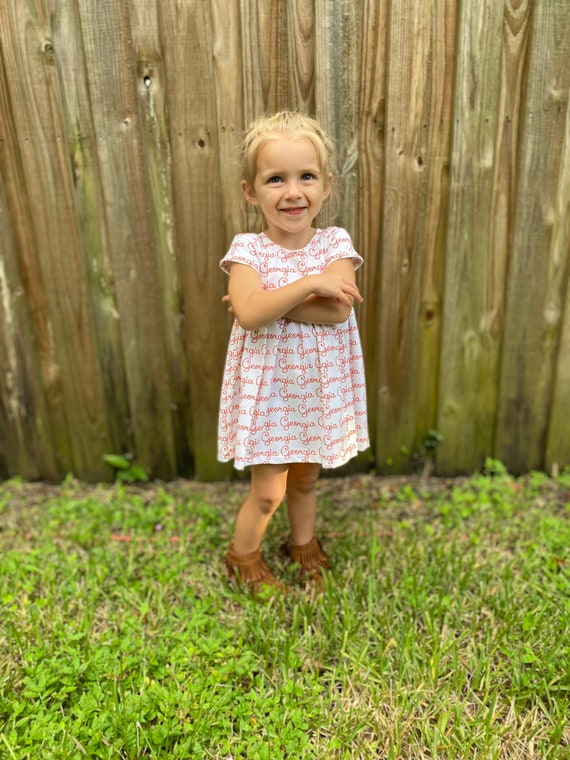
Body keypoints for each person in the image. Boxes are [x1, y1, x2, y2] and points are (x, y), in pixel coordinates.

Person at [218, 111, 369, 593]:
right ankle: (242, 558)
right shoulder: (248, 251)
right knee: (269, 493)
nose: (292, 191)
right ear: (251, 190)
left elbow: (337, 313)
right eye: (275, 179)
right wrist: (308, 284)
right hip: (271, 398)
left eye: (306, 177)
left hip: (318, 393)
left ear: (325, 185)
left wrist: (269, 302)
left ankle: (302, 545)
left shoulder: (334, 242)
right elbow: (248, 313)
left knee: (305, 480)